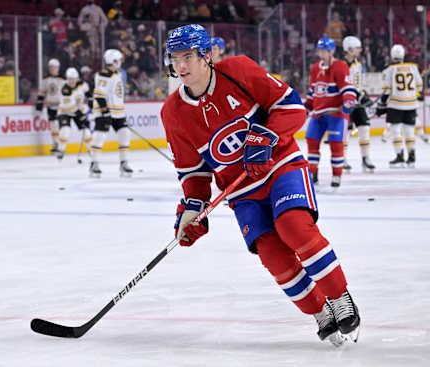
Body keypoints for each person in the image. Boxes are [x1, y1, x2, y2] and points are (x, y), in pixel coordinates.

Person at [161, 24, 360, 346]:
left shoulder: (238, 69)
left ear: (207, 55)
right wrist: (192, 209)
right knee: (271, 254)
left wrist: (265, 136)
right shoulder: (172, 113)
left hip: (280, 166)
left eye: (188, 56)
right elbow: (193, 172)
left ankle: (339, 298)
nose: (180, 66)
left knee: (293, 226)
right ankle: (320, 312)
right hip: (241, 191)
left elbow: (293, 106)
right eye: (174, 57)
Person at [304, 37, 357, 188]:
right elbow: (312, 91)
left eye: (324, 51)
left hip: (336, 113)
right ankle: (313, 174)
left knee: (336, 144)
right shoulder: (315, 68)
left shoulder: (340, 66)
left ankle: (336, 175)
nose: (322, 54)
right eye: (320, 51)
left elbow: (347, 87)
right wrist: (306, 107)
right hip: (318, 113)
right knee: (311, 140)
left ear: (332, 51)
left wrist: (349, 101)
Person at [377, 44, 422, 168]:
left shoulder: (389, 69)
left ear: (392, 55)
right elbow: (419, 86)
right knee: (409, 132)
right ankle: (412, 157)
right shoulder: (413, 67)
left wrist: (381, 104)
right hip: (411, 104)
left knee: (396, 131)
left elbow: (386, 90)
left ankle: (399, 156)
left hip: (396, 104)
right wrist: (412, 95)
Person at [89, 49, 132, 178]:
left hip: (118, 112)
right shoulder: (104, 75)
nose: (120, 62)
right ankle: (94, 163)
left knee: (124, 134)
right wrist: (104, 110)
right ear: (113, 61)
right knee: (100, 136)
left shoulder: (116, 74)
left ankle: (124, 163)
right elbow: (99, 94)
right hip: (106, 112)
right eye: (118, 60)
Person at [342, 36, 375, 172]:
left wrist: (363, 94)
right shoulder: (340, 65)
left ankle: (365, 158)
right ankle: (342, 159)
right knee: (345, 131)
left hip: (357, 102)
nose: (360, 50)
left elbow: (358, 84)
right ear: (349, 49)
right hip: (345, 103)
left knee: (364, 128)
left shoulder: (358, 64)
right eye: (357, 48)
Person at [55, 67, 91, 160]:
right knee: (65, 130)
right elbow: (70, 107)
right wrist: (81, 115)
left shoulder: (83, 84)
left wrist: (90, 99)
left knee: (86, 130)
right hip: (64, 111)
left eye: (74, 79)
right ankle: (61, 150)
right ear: (67, 79)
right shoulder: (64, 89)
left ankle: (91, 150)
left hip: (78, 111)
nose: (72, 81)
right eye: (70, 79)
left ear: (77, 78)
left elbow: (87, 92)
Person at [36, 58, 65, 154]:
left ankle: (61, 144)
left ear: (58, 68)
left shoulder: (63, 79)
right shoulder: (45, 80)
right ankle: (55, 144)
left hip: (61, 106)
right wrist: (39, 103)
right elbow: (42, 92)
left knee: (59, 125)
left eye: (54, 67)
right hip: (50, 105)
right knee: (53, 125)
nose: (53, 69)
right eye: (51, 67)